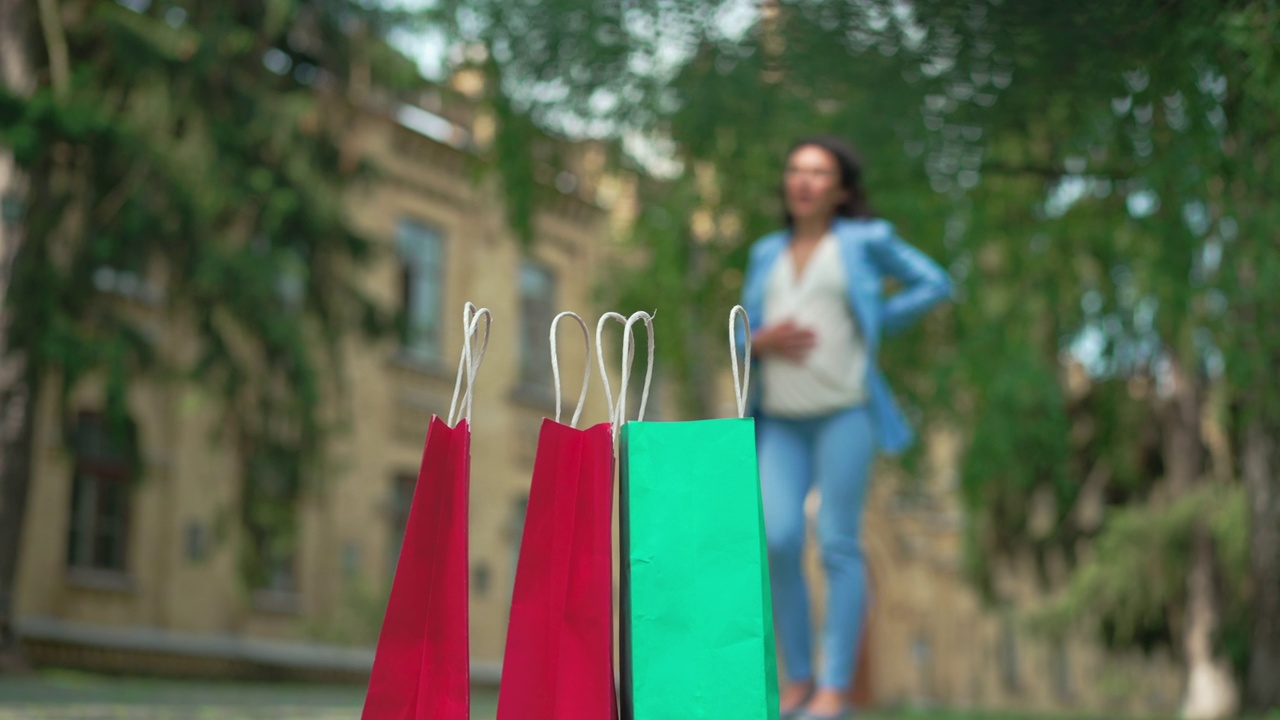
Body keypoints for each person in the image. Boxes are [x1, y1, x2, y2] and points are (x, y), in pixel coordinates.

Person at [738, 136, 951, 719]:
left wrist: (874, 316)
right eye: (795, 170)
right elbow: (739, 333)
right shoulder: (765, 254)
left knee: (837, 542)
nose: (804, 181)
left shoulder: (863, 241)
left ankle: (833, 687)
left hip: (845, 413)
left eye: (819, 172)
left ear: (840, 189)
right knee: (779, 540)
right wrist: (760, 340)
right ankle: (798, 678)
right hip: (779, 419)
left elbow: (935, 282)